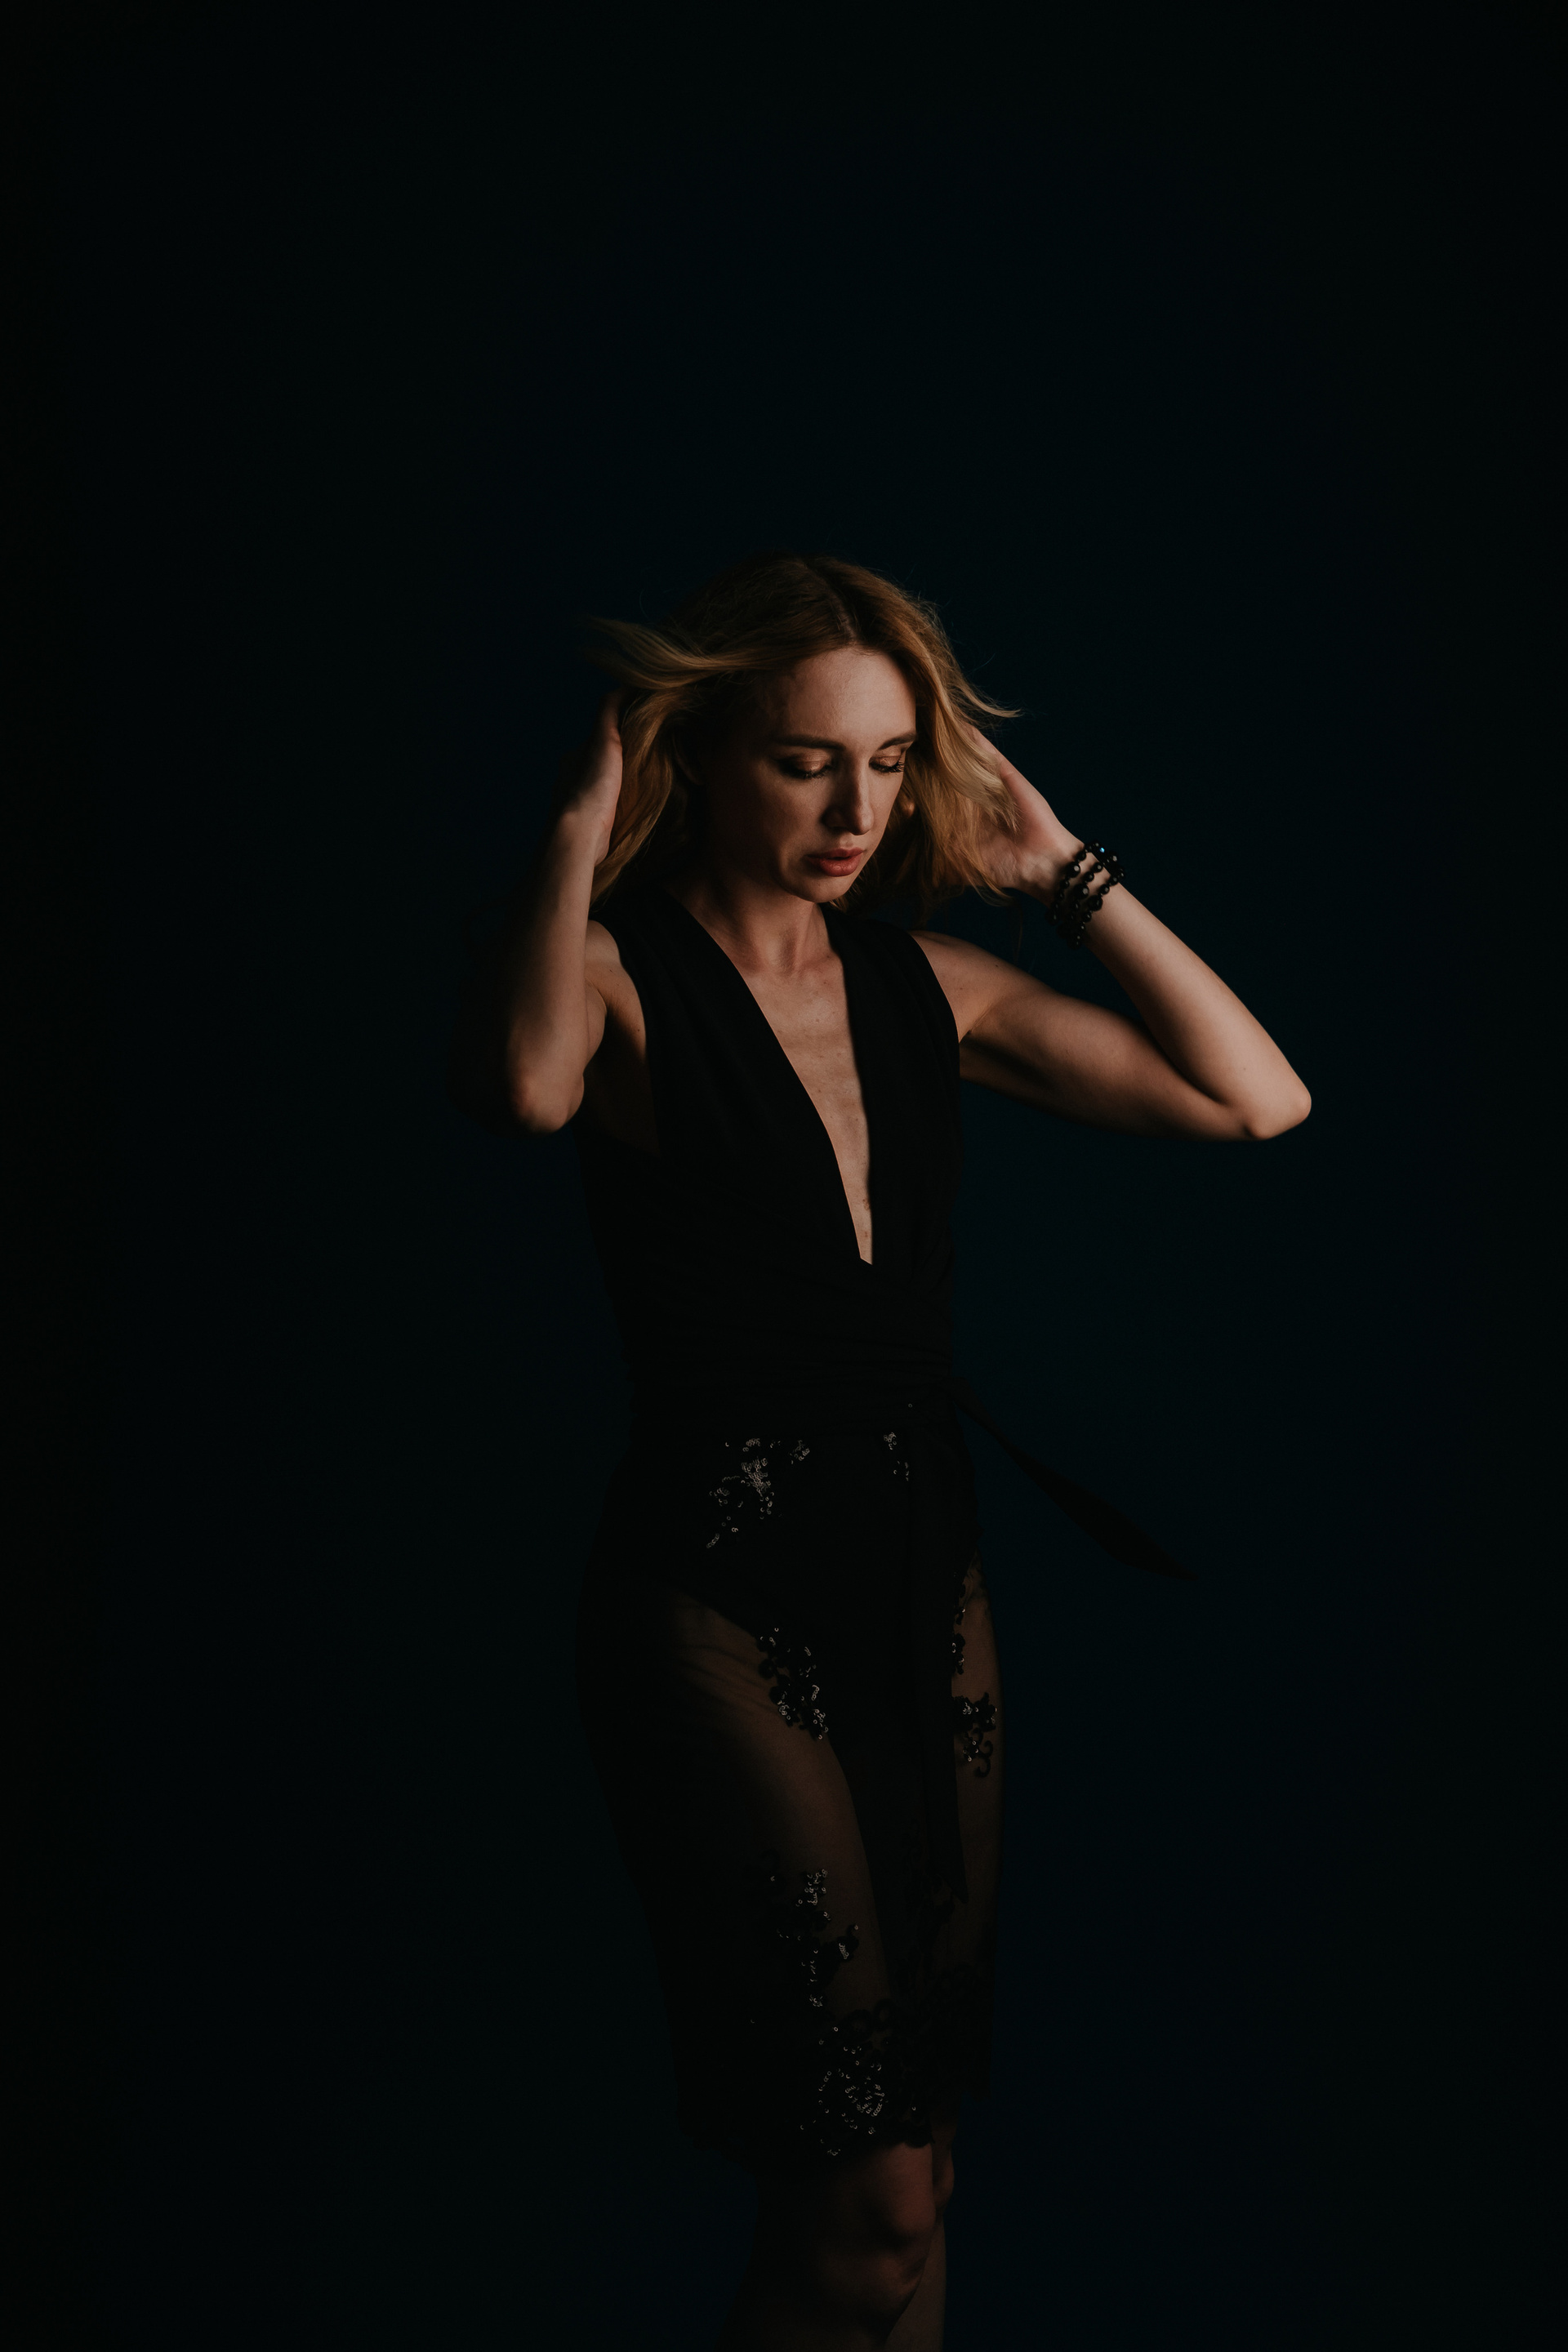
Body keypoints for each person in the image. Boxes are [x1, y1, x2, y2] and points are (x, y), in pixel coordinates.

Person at [447, 551, 1310, 2350]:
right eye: (807, 763)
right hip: (717, 1596)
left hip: (926, 1591)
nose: (858, 811)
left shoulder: (932, 983)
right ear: (704, 755)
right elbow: (524, 1089)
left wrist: (1064, 874)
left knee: (925, 2180)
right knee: (867, 2194)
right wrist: (574, 829)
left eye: (892, 764)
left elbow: (1257, 1098)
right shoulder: (613, 976)